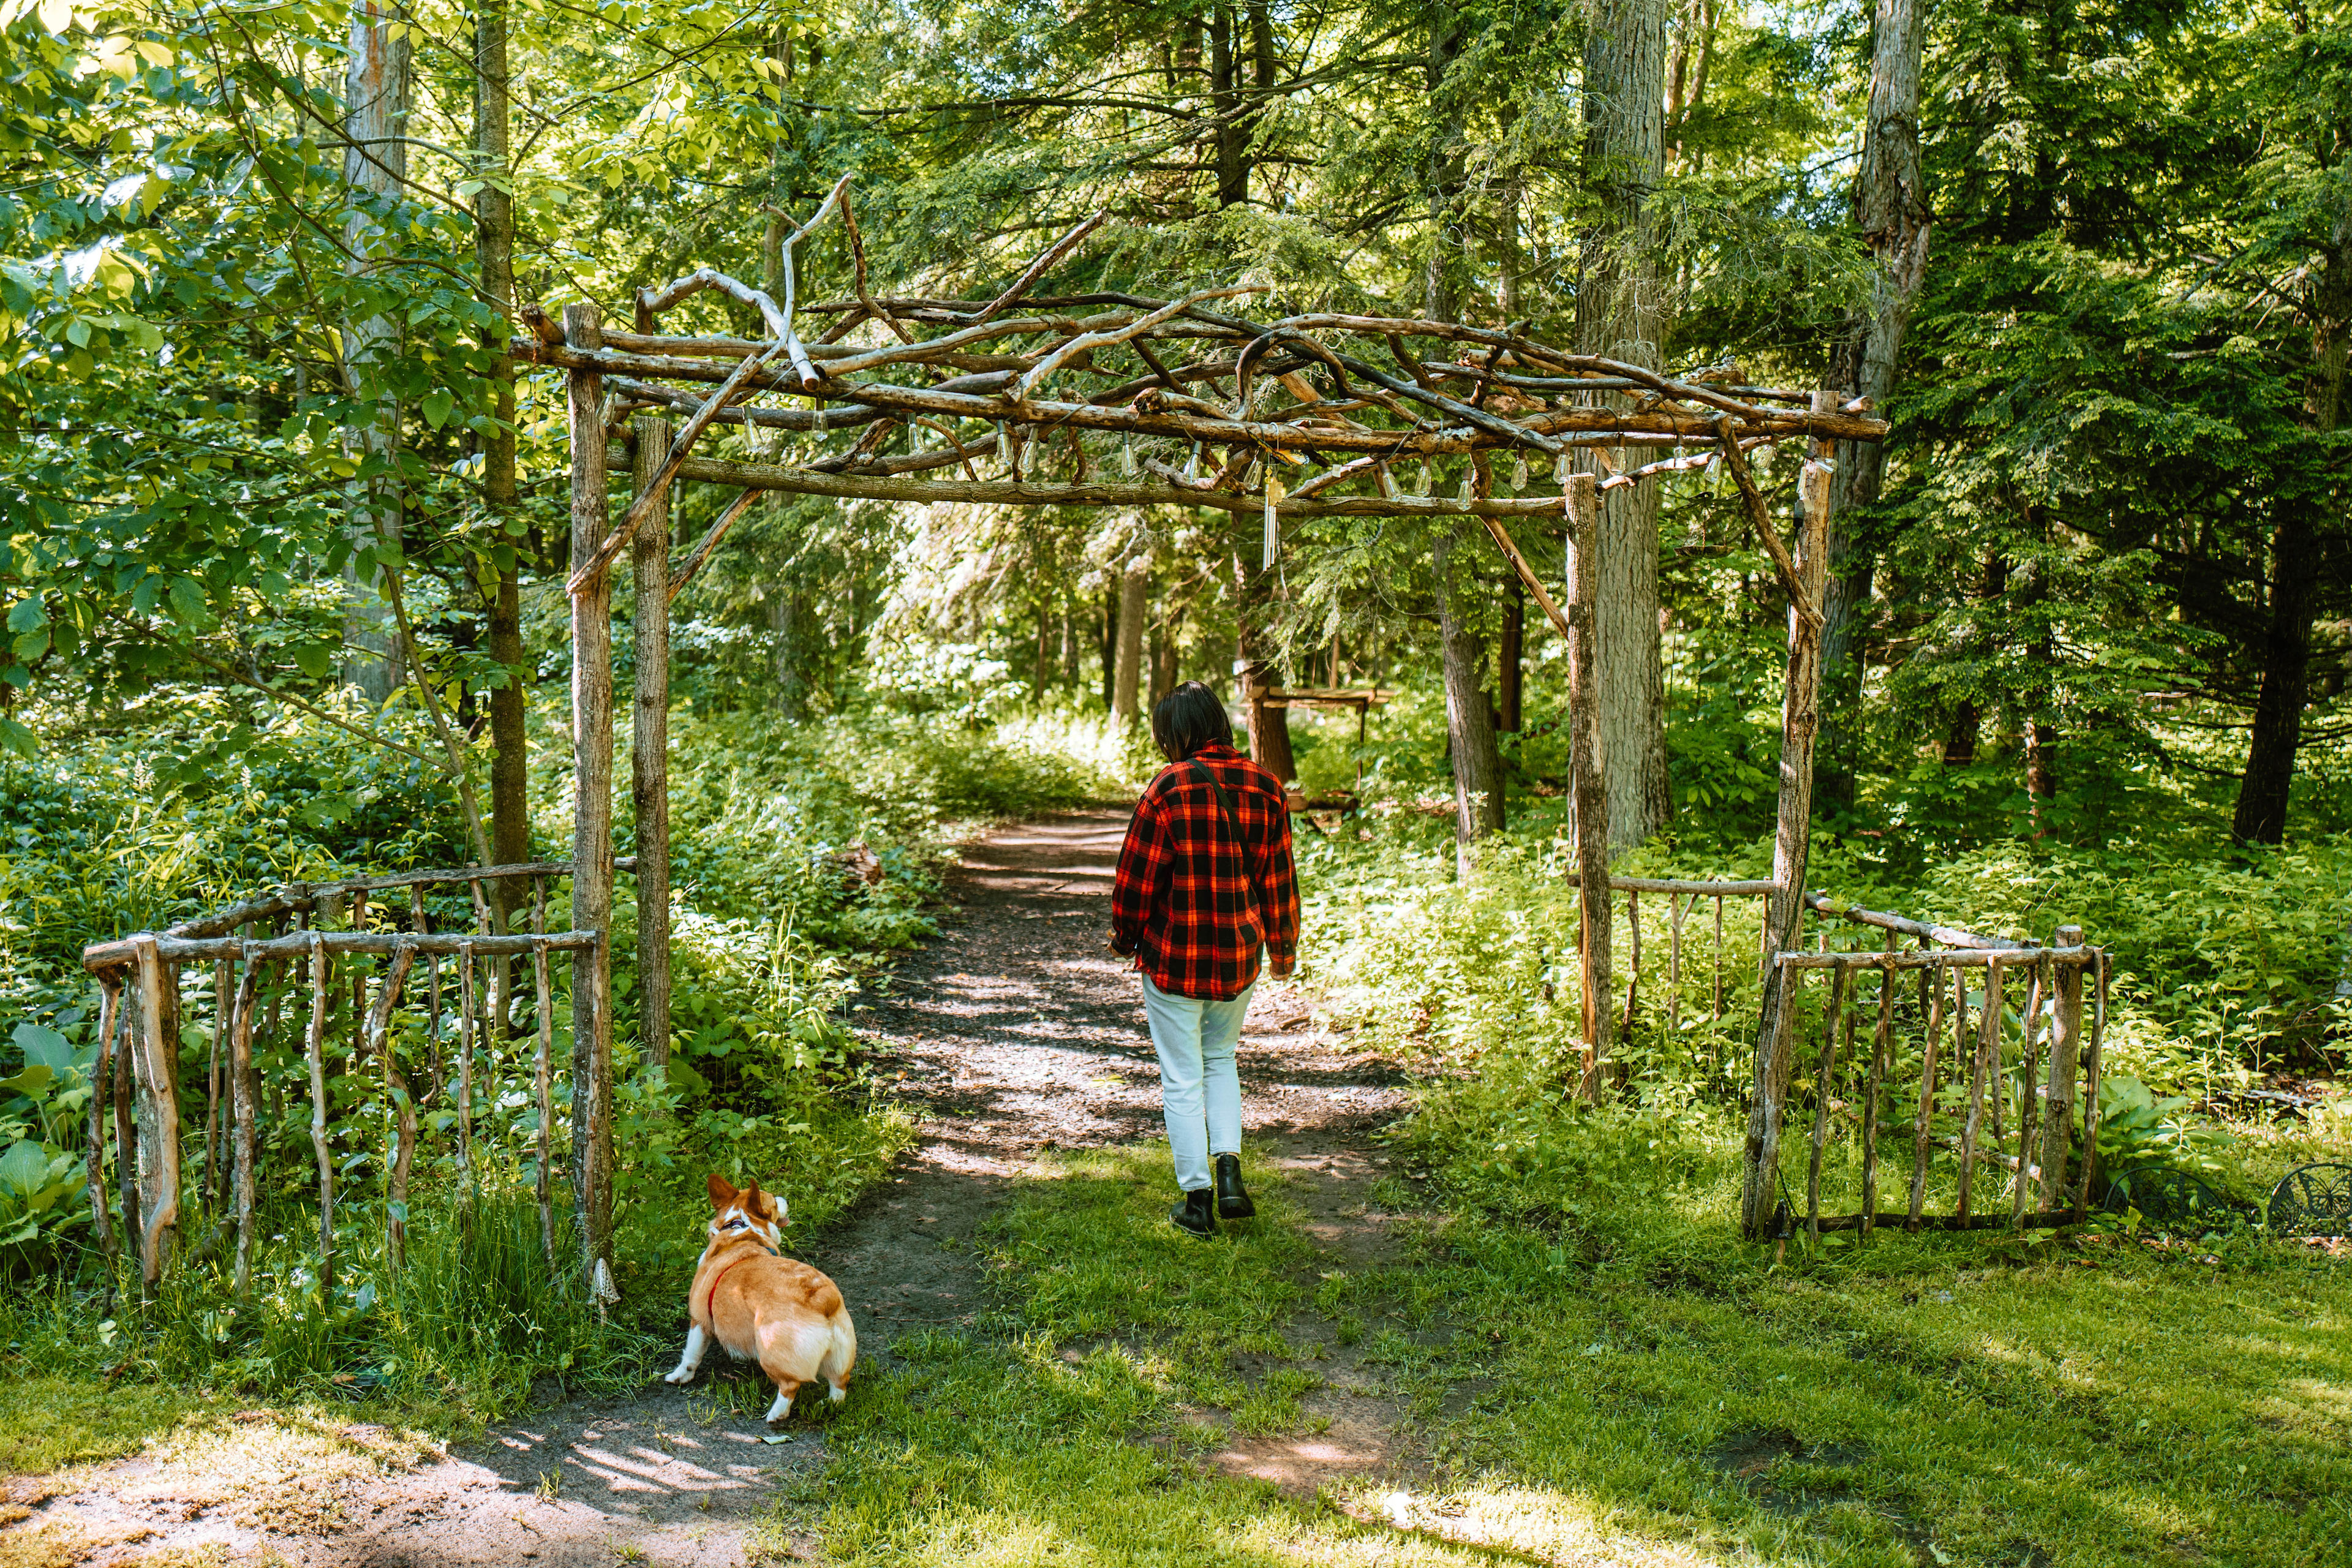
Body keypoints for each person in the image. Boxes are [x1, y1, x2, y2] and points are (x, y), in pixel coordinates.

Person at [1109, 680, 1300, 1237]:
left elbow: (1135, 881)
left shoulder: (1167, 789)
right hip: (1239, 957)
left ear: (1177, 733)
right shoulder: (1268, 787)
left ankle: (1197, 1201)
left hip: (1175, 958)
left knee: (1182, 1076)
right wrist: (1282, 949)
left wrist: (1124, 940)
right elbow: (1280, 881)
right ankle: (1232, 1175)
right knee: (1221, 1060)